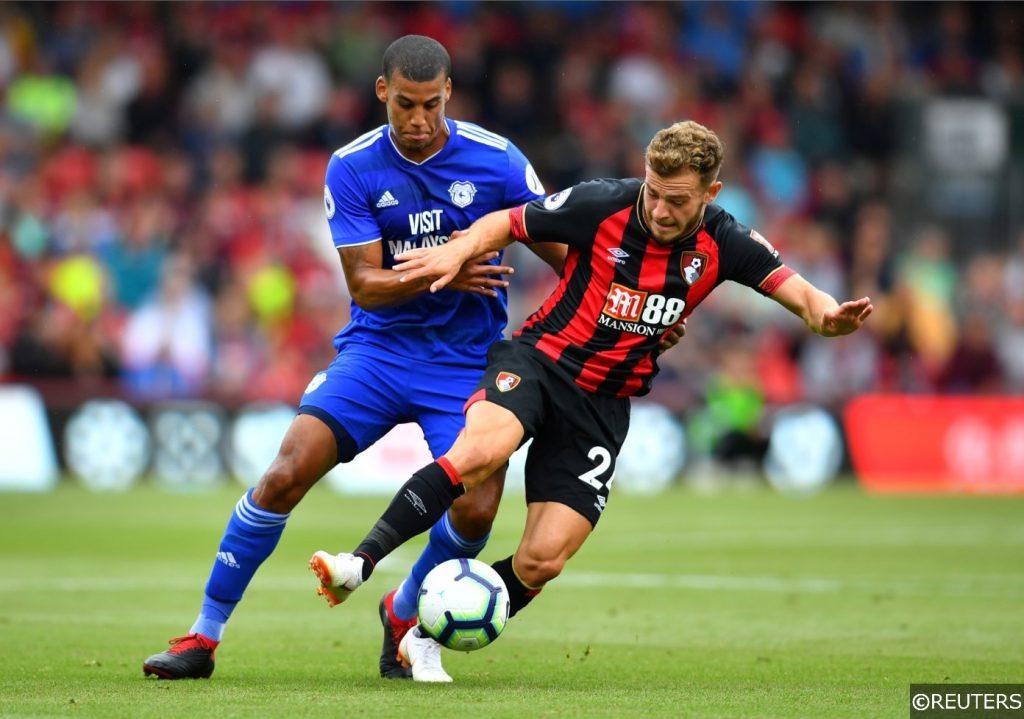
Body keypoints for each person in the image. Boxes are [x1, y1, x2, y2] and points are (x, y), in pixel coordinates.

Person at [309, 120, 874, 682]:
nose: (658, 208)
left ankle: (418, 631)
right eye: (653, 190)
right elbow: (507, 221)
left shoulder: (727, 242)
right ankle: (358, 563)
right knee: (479, 452)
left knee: (542, 560)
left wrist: (827, 317)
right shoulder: (603, 203)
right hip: (538, 363)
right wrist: (456, 253)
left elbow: (801, 293)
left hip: (603, 404)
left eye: (676, 200)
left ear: (711, 194)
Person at [143, 34, 568, 681]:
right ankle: (202, 634)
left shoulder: (499, 161)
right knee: (287, 470)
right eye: (405, 105)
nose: (419, 120)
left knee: (478, 508)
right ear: (382, 94)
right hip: (379, 351)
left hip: (466, 360)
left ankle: (401, 612)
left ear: (449, 92)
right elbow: (364, 283)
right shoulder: (353, 165)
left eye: (430, 104)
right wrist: (446, 267)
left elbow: (567, 256)